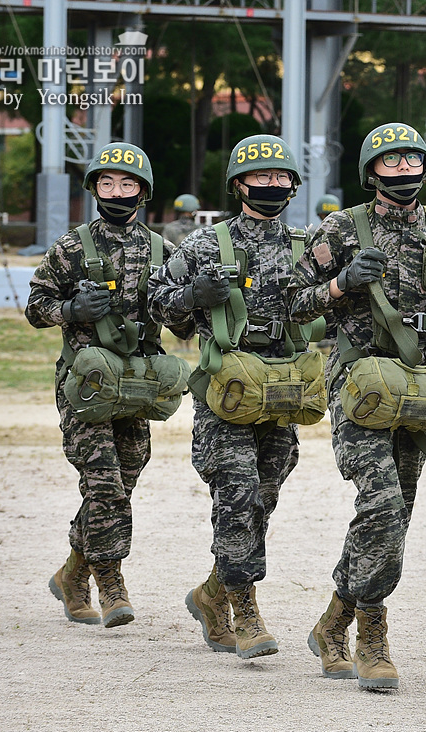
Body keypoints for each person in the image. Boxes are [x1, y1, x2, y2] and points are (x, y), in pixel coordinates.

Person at [288, 122, 426, 690]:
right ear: (371, 172)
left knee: (394, 521)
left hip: (418, 392)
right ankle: (372, 635)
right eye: (390, 162)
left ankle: (332, 620)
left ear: (425, 168)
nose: (402, 170)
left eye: (410, 160)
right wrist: (340, 283)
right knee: (383, 507)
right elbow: (293, 303)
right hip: (360, 389)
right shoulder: (341, 228)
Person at [148, 134, 310, 659]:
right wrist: (192, 296)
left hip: (282, 395)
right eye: (260, 177)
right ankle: (245, 610)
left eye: (281, 177)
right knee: (236, 494)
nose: (272, 185)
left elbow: (329, 307)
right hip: (226, 395)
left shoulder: (306, 247)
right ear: (238, 184)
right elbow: (157, 304)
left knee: (263, 499)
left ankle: (211, 594)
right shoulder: (201, 246)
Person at [26, 142, 193, 628]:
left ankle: (72, 573)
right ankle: (110, 579)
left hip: (137, 387)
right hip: (86, 386)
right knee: (103, 484)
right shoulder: (72, 247)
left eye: (127, 184)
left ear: (142, 192)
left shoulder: (165, 251)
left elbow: (181, 324)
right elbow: (36, 307)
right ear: (94, 188)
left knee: (124, 479)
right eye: (106, 183)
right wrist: (70, 311)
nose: (116, 191)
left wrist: (194, 300)